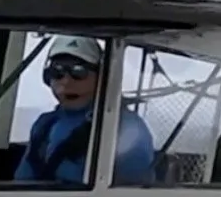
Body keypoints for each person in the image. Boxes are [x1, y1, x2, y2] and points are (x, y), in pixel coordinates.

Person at [14, 35, 157, 185]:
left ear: (103, 77)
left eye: (79, 72)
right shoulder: (44, 125)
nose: (66, 82)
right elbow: (22, 182)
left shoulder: (126, 127)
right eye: (57, 72)